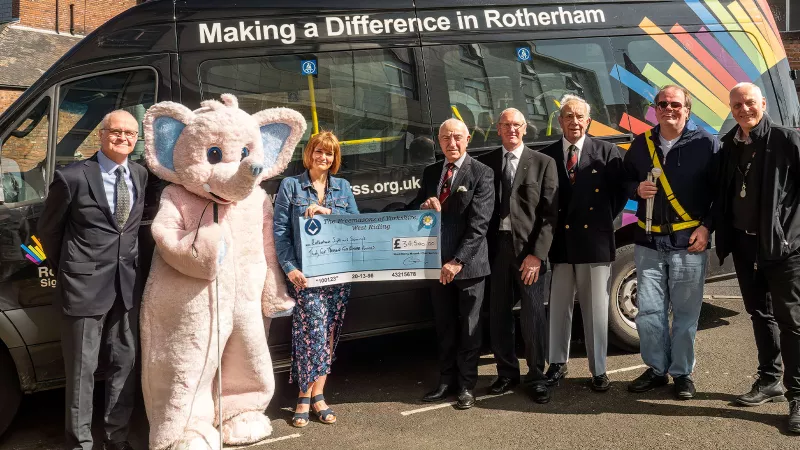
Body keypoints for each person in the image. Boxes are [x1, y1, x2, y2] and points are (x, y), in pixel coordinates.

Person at [38, 110, 148, 450]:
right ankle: (80, 443)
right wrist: (70, 270)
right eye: (116, 132)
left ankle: (117, 438)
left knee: (124, 367)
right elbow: (46, 233)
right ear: (101, 134)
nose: (124, 138)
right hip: (83, 288)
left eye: (131, 133)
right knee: (82, 372)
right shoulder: (72, 176)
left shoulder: (140, 174)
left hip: (126, 287)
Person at [623, 85, 718, 400]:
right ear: (655, 109)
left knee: (686, 313)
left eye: (675, 104)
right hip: (648, 242)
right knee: (649, 312)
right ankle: (656, 369)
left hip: (688, 242)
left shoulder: (707, 144)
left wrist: (707, 228)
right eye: (661, 104)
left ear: (687, 108)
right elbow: (622, 179)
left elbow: (722, 194)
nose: (668, 109)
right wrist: (636, 189)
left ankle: (682, 373)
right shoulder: (641, 143)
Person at [715, 82, 800, 433]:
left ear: (762, 103)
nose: (743, 110)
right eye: (736, 105)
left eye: (749, 103)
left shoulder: (786, 139)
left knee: (792, 322)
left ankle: (798, 397)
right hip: (745, 245)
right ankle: (769, 381)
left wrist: (789, 234)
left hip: (782, 248)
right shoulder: (729, 145)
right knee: (759, 312)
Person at [540, 95, 627, 392]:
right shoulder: (547, 155)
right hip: (560, 243)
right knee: (559, 307)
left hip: (595, 242)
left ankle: (599, 369)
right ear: (560, 120)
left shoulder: (608, 152)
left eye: (579, 117)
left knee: (595, 309)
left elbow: (618, 197)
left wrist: (601, 221)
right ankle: (557, 363)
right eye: (568, 116)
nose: (574, 121)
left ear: (588, 121)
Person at [273, 131, 359, 427]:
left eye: (330, 154)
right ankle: (303, 396)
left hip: (337, 274)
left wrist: (328, 213)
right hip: (306, 276)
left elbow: (354, 227)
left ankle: (319, 394)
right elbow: (280, 233)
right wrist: (290, 269)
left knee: (329, 333)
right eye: (319, 152)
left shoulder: (343, 187)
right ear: (309, 153)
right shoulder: (291, 186)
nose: (324, 158)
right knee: (311, 334)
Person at [411, 118, 494, 410]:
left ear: (468, 139)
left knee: (470, 328)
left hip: (468, 266)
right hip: (435, 264)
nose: (452, 143)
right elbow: (415, 209)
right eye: (446, 138)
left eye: (457, 137)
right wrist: (422, 207)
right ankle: (446, 380)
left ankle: (467, 385)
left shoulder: (482, 173)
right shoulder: (431, 171)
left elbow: (479, 225)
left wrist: (457, 261)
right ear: (439, 140)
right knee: (444, 326)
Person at [478, 108, 558, 403]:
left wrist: (537, 255)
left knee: (534, 314)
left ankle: (537, 375)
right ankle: (506, 373)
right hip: (496, 249)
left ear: (525, 129)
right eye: (505, 125)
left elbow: (550, 216)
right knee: (498, 314)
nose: (511, 129)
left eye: (516, 125)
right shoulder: (485, 164)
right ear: (497, 129)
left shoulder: (543, 163)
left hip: (529, 252)